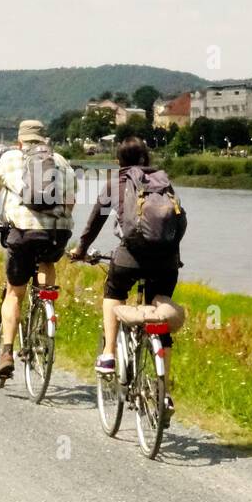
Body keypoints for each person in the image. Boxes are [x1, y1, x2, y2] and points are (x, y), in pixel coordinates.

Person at [69, 136, 187, 375]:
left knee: (114, 291)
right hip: (166, 261)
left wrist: (80, 250)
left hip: (130, 257)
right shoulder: (163, 182)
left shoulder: (116, 183)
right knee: (159, 314)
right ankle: (163, 392)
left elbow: (95, 222)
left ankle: (109, 354)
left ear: (117, 160)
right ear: (146, 157)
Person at [0, 119, 76, 379]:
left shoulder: (11, 158)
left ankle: (7, 353)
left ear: (20, 140)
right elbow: (71, 201)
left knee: (14, 293)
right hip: (58, 233)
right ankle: (45, 311)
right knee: (47, 263)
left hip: (23, 232)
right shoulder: (62, 162)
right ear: (45, 140)